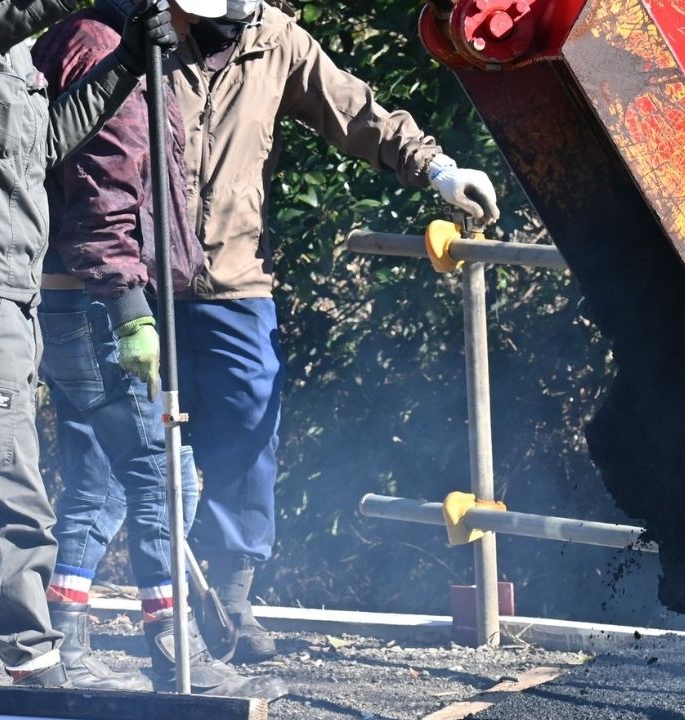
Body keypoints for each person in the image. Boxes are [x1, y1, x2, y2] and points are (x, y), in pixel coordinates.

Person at [166, 1, 500, 664]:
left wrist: (438, 170)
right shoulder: (138, 31)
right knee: (138, 445)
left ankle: (230, 598)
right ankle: (139, 605)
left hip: (236, 279)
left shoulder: (277, 40)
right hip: (140, 279)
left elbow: (357, 113)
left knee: (250, 435)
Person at [31, 0, 286, 698]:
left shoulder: (116, 45)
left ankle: (68, 639)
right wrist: (127, 309)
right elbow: (105, 194)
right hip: (97, 298)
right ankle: (179, 658)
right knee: (164, 477)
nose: (203, 27)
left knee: (105, 481)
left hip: (85, 295)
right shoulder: (104, 50)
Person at [0, 0, 176, 688]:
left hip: (6, 287)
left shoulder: (13, 56)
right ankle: (32, 662)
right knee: (7, 482)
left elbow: (45, 143)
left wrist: (125, 63)